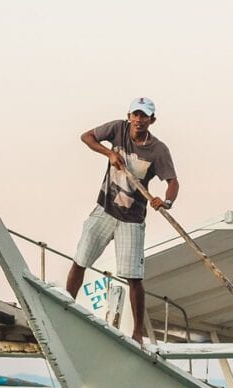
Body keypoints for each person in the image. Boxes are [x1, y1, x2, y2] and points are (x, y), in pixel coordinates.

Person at [65, 97, 180, 343]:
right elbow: (87, 137)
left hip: (132, 219)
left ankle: (138, 332)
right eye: (135, 115)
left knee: (133, 276)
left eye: (144, 116)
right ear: (129, 116)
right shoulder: (118, 129)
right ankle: (64, 307)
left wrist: (165, 202)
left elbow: (173, 182)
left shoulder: (158, 150)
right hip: (105, 209)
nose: (139, 120)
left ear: (152, 120)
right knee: (80, 259)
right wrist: (109, 153)